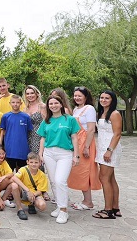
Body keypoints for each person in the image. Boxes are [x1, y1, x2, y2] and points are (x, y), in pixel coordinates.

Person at [37, 94, 80, 224]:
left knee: (60, 181)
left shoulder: (69, 119)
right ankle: (59, 206)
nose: (53, 105)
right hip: (49, 153)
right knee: (53, 182)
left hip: (65, 154)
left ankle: (63, 210)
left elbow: (74, 137)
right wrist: (40, 153)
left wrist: (76, 155)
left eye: (56, 103)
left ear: (61, 104)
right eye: (51, 104)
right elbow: (43, 138)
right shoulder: (47, 121)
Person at [67, 87, 101, 210]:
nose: (77, 98)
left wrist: (86, 147)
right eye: (75, 95)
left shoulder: (89, 109)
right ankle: (86, 199)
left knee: (85, 171)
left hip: (85, 142)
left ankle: (88, 202)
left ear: (86, 97)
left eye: (79, 96)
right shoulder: (76, 109)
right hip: (77, 142)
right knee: (78, 170)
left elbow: (91, 129)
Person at [92, 90, 123, 220]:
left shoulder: (114, 114)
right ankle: (115, 208)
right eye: (102, 98)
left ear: (112, 100)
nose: (103, 100)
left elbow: (117, 134)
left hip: (110, 148)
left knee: (104, 178)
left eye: (107, 98)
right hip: (102, 148)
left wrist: (109, 150)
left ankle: (108, 210)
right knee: (110, 179)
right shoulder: (102, 113)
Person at [0, 94, 33, 171]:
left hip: (22, 149)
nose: (15, 104)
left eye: (17, 102)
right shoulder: (5, 116)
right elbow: (2, 130)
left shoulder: (26, 117)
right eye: (13, 102)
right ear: (10, 103)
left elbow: (29, 132)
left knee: (21, 172)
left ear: (21, 103)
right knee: (9, 171)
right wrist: (0, 142)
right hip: (10, 149)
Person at [10, 152, 48, 220]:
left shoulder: (42, 175)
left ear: (40, 163)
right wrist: (27, 190)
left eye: (36, 162)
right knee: (14, 185)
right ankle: (19, 209)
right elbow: (14, 178)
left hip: (34, 194)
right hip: (23, 191)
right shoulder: (23, 169)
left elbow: (41, 191)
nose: (33, 164)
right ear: (27, 162)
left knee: (42, 206)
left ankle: (31, 204)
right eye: (31, 162)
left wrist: (33, 195)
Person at [23, 85, 46, 154]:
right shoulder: (25, 108)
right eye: (27, 94)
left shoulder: (42, 106)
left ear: (37, 94)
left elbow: (47, 123)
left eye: (32, 93)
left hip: (39, 138)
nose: (30, 95)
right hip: (27, 138)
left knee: (38, 158)